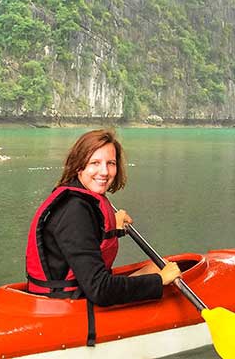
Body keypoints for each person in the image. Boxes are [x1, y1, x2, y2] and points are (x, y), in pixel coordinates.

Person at [25, 129, 181, 346]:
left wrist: (112, 227)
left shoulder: (81, 200)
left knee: (157, 266)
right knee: (158, 274)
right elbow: (100, 290)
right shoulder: (74, 212)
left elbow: (83, 242)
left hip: (71, 294)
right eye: (95, 163)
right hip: (68, 307)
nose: (104, 172)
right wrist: (159, 281)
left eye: (111, 163)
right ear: (79, 165)